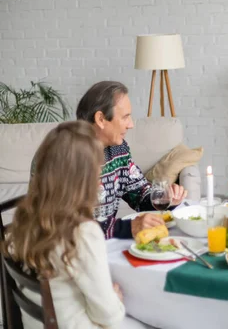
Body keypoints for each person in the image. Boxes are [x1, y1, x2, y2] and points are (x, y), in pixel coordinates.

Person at [3, 121, 147, 329]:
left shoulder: (23, 219)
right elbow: (110, 317)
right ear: (84, 177)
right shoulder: (83, 232)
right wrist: (114, 299)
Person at [76, 81, 187, 239]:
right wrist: (127, 228)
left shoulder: (118, 150)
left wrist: (166, 198)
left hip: (103, 246)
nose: (131, 124)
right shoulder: (66, 156)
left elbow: (140, 195)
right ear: (101, 119)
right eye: (125, 117)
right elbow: (64, 225)